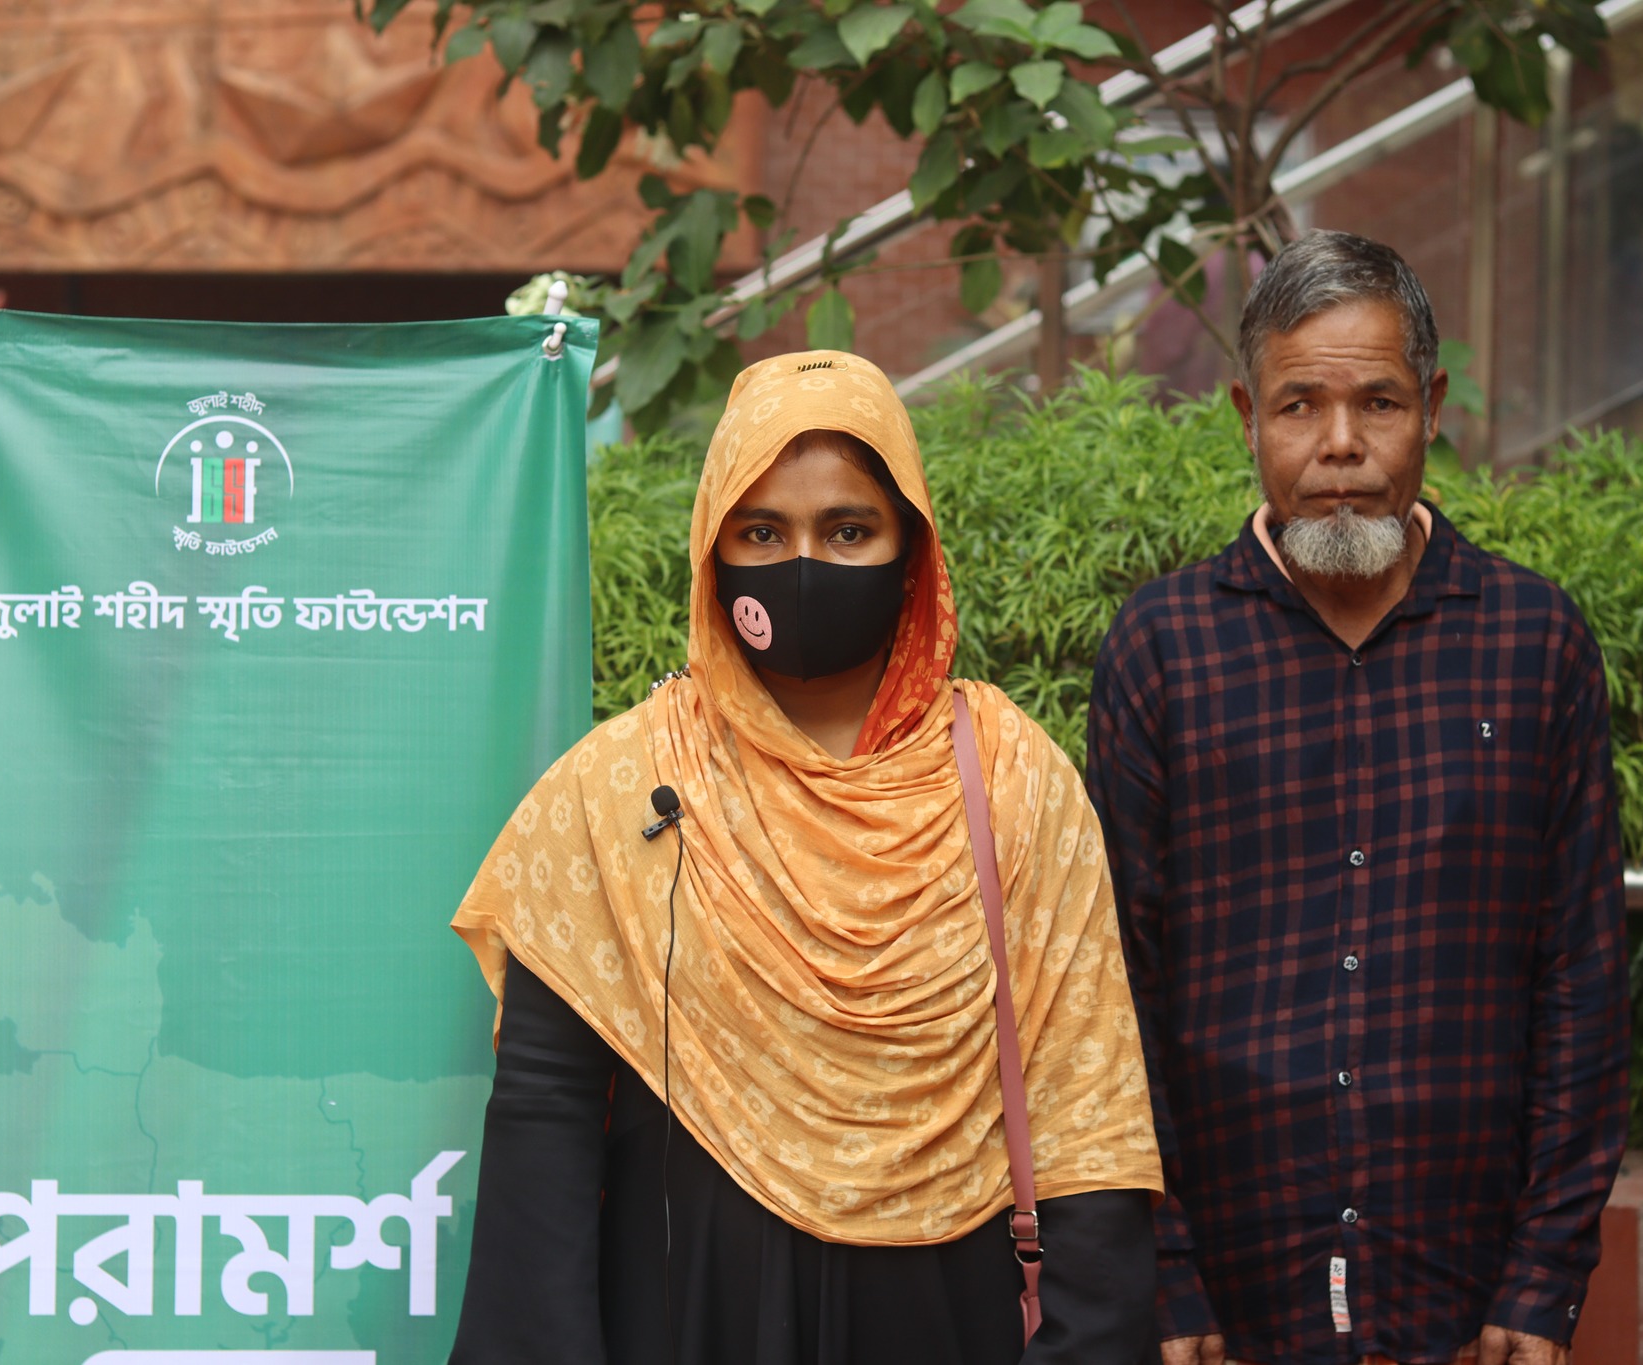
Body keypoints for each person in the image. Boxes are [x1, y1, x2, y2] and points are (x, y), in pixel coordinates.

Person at [449, 350, 1164, 1365]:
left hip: (948, 1321)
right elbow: (544, 1118)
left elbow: (1082, 1104)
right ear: (712, 550)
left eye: (847, 530)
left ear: (912, 553)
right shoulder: (617, 791)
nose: (801, 563)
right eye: (761, 532)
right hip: (686, 1315)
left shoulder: (1013, 781)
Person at [1085, 232, 1628, 1365]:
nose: (1340, 444)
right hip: (1230, 1292)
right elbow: (1112, 993)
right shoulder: (1164, 650)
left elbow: (1580, 982)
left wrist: (1543, 1277)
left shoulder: (1532, 644)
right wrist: (1165, 1273)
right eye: (1299, 406)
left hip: (1462, 1293)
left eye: (1378, 402)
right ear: (1246, 416)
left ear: (1431, 408)